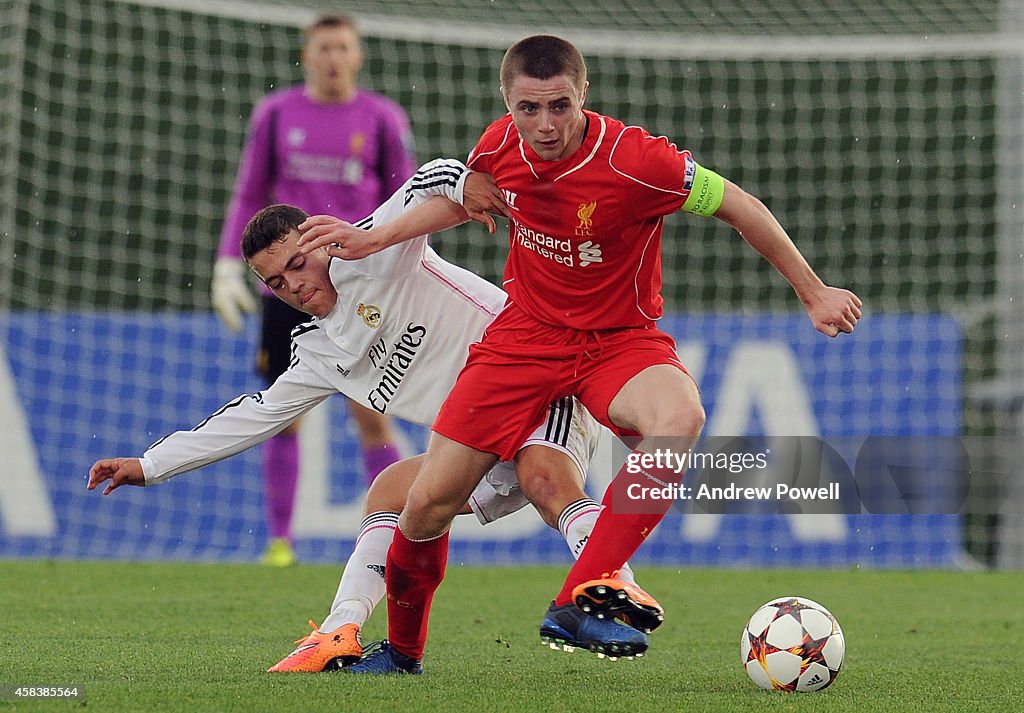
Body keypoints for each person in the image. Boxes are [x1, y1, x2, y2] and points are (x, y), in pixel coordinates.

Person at [297, 34, 863, 674]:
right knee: (424, 505)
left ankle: (582, 594)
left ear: (583, 95)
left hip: (618, 340)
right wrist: (373, 240)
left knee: (680, 418)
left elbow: (741, 207)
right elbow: (459, 201)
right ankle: (400, 654)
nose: (544, 125)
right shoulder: (498, 146)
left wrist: (813, 292)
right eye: (528, 109)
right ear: (507, 103)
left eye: (559, 106)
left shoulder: (636, 161)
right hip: (522, 340)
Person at [88, 159, 644, 674]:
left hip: (538, 381)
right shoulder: (319, 351)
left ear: (321, 242)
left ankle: (610, 585)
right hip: (474, 439)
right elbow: (254, 416)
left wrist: (463, 184)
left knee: (544, 478)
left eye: (298, 264)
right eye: (277, 283)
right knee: (394, 497)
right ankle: (346, 634)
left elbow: (427, 178)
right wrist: (150, 464)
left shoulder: (374, 251)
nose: (295, 286)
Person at [211, 14, 416, 567]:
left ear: (357, 57)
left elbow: (408, 198)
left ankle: (396, 531)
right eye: (323, 47)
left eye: (342, 48)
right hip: (289, 293)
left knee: (372, 411)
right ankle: (280, 542)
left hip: (358, 288)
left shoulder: (380, 119)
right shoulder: (277, 115)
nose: (333, 58)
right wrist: (228, 264)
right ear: (308, 55)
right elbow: (250, 190)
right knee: (283, 411)